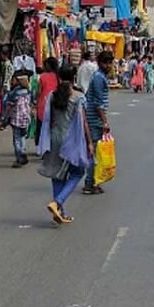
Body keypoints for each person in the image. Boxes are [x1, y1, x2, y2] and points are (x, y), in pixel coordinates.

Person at [39, 64, 93, 225]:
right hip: (71, 138)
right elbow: (83, 122)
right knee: (78, 172)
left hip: (54, 137)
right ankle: (58, 202)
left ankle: (59, 211)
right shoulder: (78, 96)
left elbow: (47, 118)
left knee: (57, 174)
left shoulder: (52, 95)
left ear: (59, 77)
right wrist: (89, 142)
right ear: (73, 77)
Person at [83, 52, 113, 195]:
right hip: (94, 120)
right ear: (100, 63)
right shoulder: (99, 78)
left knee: (95, 152)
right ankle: (90, 183)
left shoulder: (100, 77)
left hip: (94, 119)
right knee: (94, 152)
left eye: (110, 63)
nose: (109, 66)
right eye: (106, 63)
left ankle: (93, 182)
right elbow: (98, 103)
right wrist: (105, 122)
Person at [2, 70, 34, 167]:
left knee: (16, 138)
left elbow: (8, 106)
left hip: (16, 118)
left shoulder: (14, 93)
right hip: (25, 118)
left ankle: (19, 156)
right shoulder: (28, 91)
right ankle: (23, 151)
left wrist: (4, 118)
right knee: (22, 136)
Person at [35, 57, 59, 134]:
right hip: (56, 104)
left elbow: (38, 92)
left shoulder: (43, 76)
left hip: (43, 105)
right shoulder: (58, 76)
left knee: (42, 130)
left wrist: (35, 103)